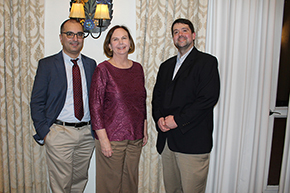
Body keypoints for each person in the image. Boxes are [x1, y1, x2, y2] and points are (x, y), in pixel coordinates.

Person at [152, 18, 220, 193]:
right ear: (173, 38)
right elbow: (157, 98)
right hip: (167, 142)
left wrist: (178, 120)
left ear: (193, 35)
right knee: (172, 190)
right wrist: (159, 118)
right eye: (176, 32)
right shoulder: (165, 66)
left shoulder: (207, 62)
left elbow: (207, 99)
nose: (180, 34)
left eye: (184, 30)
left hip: (193, 143)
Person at [30, 18, 96, 193]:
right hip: (59, 133)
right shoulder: (47, 65)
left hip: (87, 134)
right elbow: (37, 101)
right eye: (70, 34)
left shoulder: (91, 64)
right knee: (61, 184)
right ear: (61, 37)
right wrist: (45, 132)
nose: (75, 38)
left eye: (79, 34)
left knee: (79, 181)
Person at [89, 25, 148, 193]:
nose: (120, 42)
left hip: (135, 137)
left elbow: (141, 100)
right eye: (115, 39)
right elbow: (95, 106)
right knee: (110, 186)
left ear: (129, 42)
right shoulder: (103, 69)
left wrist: (144, 129)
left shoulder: (138, 68)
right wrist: (103, 140)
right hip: (112, 138)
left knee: (130, 185)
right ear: (109, 45)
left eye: (124, 38)